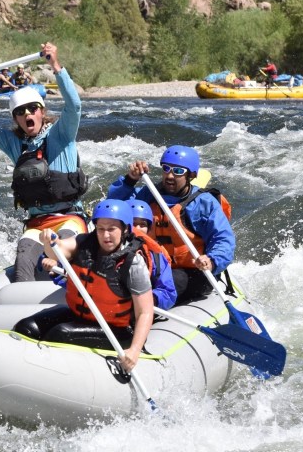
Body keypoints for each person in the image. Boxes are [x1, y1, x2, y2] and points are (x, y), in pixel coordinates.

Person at [0, 42, 88, 283]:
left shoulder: (61, 134)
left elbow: (74, 106)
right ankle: (27, 311)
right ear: (16, 118)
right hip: (37, 223)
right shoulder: (15, 143)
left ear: (42, 112)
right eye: (20, 112)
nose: (27, 115)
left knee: (64, 245)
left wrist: (55, 66)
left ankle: (73, 291)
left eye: (33, 109)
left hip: (69, 218)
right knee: (23, 261)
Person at [13, 199, 155, 372]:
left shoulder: (133, 263)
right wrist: (50, 241)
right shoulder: (83, 243)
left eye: (112, 229)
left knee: (60, 334)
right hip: (79, 316)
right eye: (101, 229)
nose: (105, 235)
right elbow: (59, 250)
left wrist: (134, 350)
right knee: (26, 328)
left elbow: (145, 311)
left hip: (117, 330)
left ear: (125, 229)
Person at [107, 145, 235, 304]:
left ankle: (143, 310)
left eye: (178, 171)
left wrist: (212, 260)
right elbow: (113, 208)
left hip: (193, 272)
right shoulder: (150, 194)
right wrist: (130, 179)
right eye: (166, 169)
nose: (170, 176)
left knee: (172, 280)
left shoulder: (202, 203)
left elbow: (223, 239)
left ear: (192, 175)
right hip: (155, 266)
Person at [128, 199, 177, 310]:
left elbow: (168, 292)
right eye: (133, 223)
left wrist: (151, 299)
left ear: (149, 229)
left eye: (142, 225)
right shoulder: (107, 246)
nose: (137, 229)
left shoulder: (155, 255)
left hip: (136, 308)